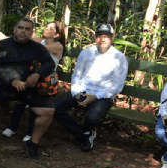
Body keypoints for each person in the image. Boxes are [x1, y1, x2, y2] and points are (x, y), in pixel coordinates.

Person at [51, 23, 126, 152]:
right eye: (99, 36)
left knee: (91, 118)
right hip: (82, 90)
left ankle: (85, 132)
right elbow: (77, 75)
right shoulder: (87, 52)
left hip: (102, 95)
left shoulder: (119, 58)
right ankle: (84, 133)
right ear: (95, 37)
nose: (102, 39)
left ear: (112, 38)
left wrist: (95, 97)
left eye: (106, 36)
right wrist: (76, 93)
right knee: (55, 108)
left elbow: (117, 85)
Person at [0, 18, 56, 158]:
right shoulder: (2, 45)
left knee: (48, 111)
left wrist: (37, 75)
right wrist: (11, 80)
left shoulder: (37, 48)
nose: (23, 31)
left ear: (31, 32)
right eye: (20, 28)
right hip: (4, 87)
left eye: (27, 29)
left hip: (29, 88)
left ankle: (33, 143)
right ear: (15, 29)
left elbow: (49, 63)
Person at [4, 20, 65, 139]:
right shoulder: (41, 41)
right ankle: (12, 127)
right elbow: (31, 38)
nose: (46, 29)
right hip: (33, 78)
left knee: (36, 100)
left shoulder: (57, 46)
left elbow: (38, 47)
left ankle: (29, 133)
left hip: (45, 82)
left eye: (50, 28)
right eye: (46, 27)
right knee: (21, 95)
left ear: (57, 35)